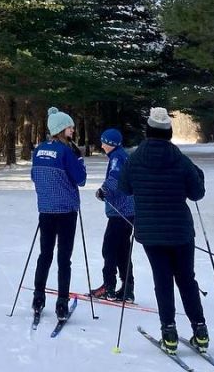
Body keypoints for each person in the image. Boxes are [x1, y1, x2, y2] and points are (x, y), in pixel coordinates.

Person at [118, 107, 209, 354]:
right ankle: (200, 330)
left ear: (148, 130)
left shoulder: (135, 158)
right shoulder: (179, 158)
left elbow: (124, 187)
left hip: (151, 232)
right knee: (186, 279)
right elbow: (197, 193)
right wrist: (197, 175)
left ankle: (168, 331)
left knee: (163, 280)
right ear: (169, 132)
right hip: (180, 231)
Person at [30, 106, 87, 321]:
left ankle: (38, 297)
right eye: (70, 127)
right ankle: (62, 303)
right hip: (66, 211)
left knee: (45, 254)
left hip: (45, 210)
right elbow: (80, 179)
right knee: (64, 257)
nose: (73, 130)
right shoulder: (67, 151)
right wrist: (80, 161)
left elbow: (35, 177)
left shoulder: (39, 150)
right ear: (61, 129)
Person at [91, 127, 135, 302]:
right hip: (129, 211)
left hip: (120, 212)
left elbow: (115, 177)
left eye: (104, 142)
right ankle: (127, 288)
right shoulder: (122, 155)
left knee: (109, 249)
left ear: (111, 144)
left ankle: (108, 287)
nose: (102, 146)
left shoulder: (117, 157)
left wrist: (104, 191)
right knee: (122, 250)